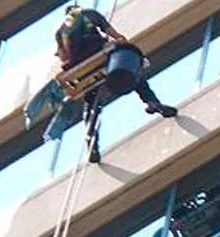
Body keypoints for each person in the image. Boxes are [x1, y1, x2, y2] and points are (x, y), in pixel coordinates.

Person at [55, 4, 178, 162]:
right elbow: (116, 36)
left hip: (82, 70)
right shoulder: (90, 14)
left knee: (91, 104)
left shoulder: (60, 32)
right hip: (101, 56)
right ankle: (152, 102)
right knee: (136, 78)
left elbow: (64, 58)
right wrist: (119, 41)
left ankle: (91, 142)